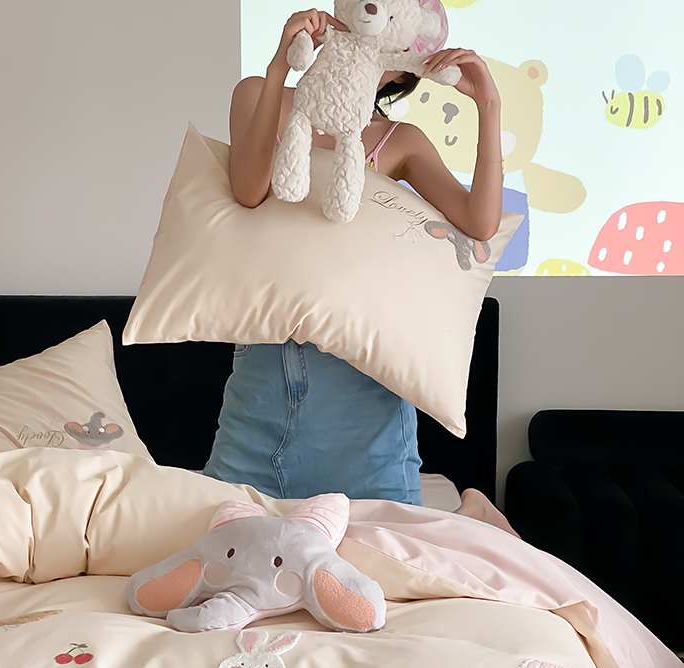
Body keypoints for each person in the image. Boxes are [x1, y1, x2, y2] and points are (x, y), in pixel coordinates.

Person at [203, 7, 517, 536]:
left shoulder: (399, 141)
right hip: (263, 383)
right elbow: (248, 190)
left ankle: (472, 521)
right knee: (225, 550)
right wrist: (281, 63)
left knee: (380, 562)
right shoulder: (259, 94)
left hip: (365, 399)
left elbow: (480, 223)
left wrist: (489, 106)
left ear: (401, 67)